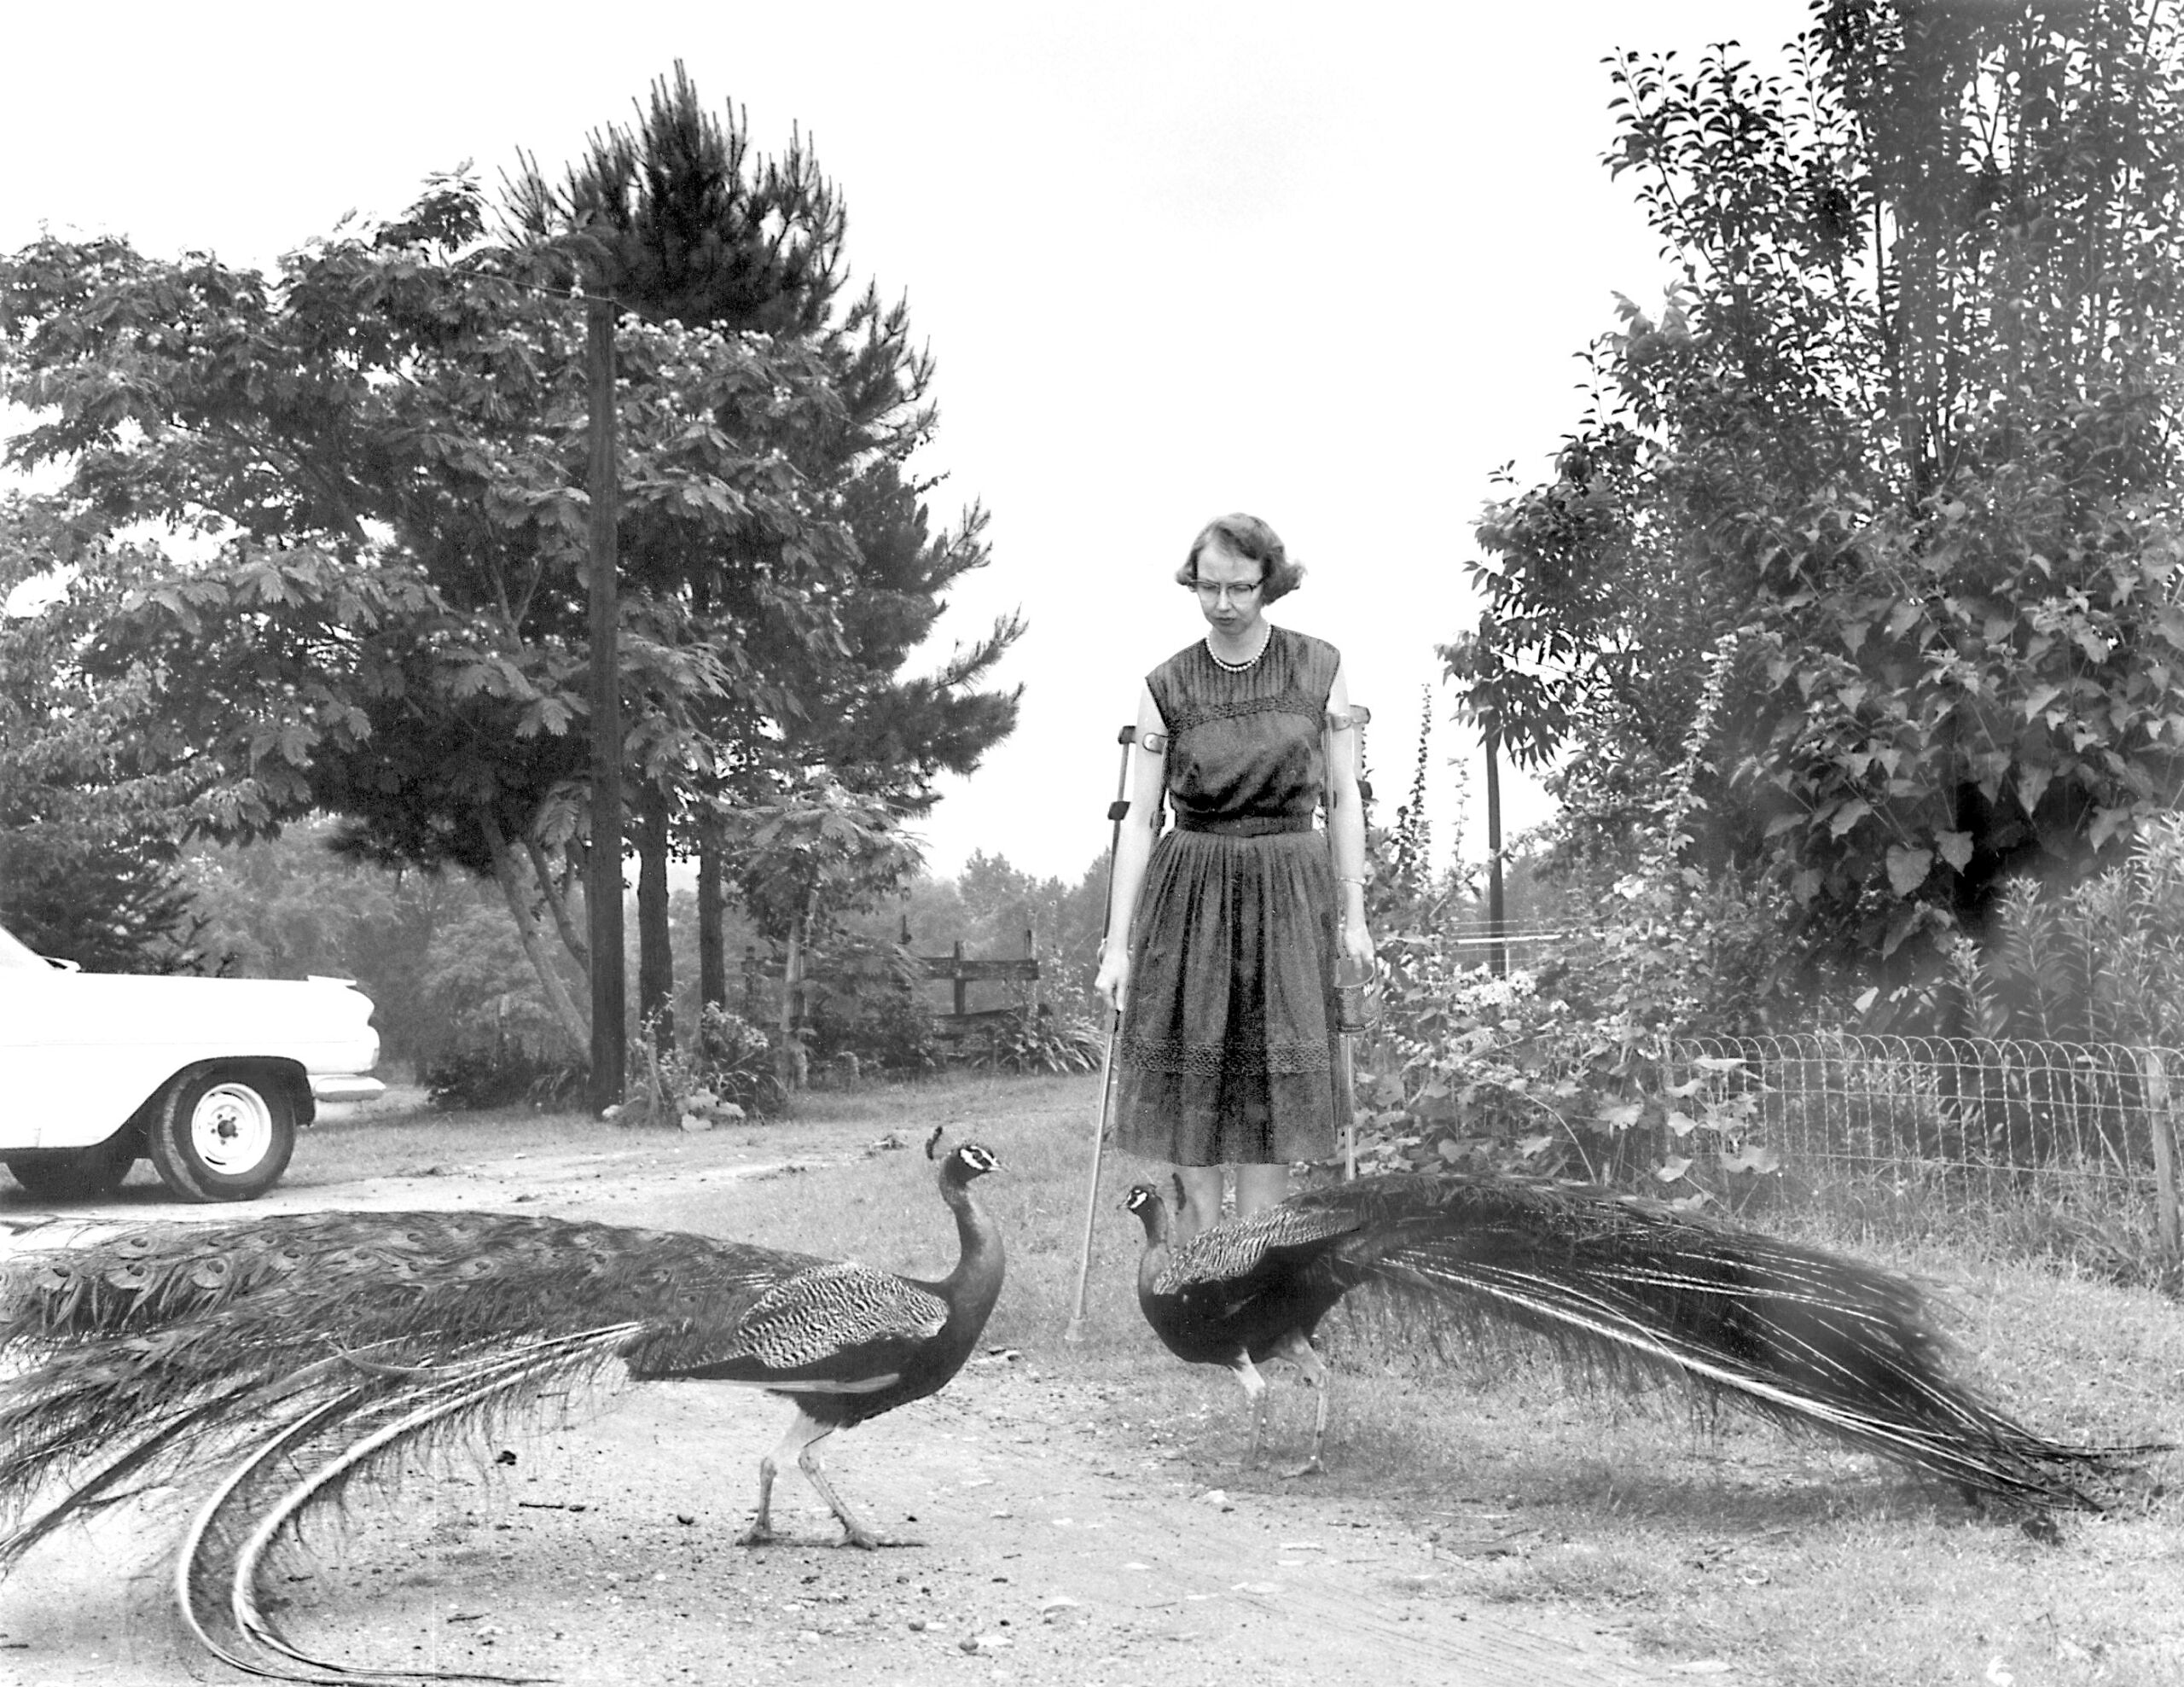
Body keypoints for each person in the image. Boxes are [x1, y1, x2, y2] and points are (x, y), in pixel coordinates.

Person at [1093, 513, 1374, 1243]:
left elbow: (1344, 801)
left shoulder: (1321, 668)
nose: (1223, 603)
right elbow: (1138, 819)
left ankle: (1256, 1263)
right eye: (1208, 586)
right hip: (1194, 892)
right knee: (1198, 1071)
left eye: (1240, 588)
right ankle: (1195, 1266)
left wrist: (1356, 917)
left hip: (1290, 886)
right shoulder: (1166, 684)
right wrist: (1117, 945)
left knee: (1272, 1080)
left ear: (1268, 584)